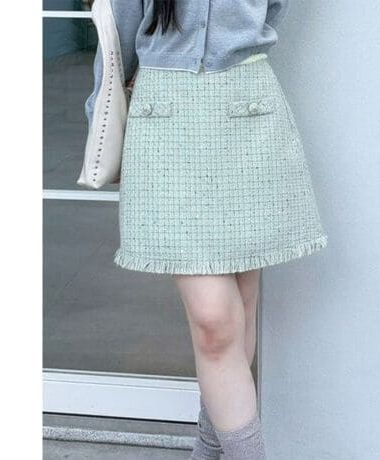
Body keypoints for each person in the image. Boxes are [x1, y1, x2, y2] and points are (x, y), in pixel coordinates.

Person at [84, 1, 328, 458]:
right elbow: (117, 38)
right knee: (215, 321)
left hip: (249, 111)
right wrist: (102, 122)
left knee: (240, 309)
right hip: (164, 118)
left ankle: (208, 448)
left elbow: (273, 9)